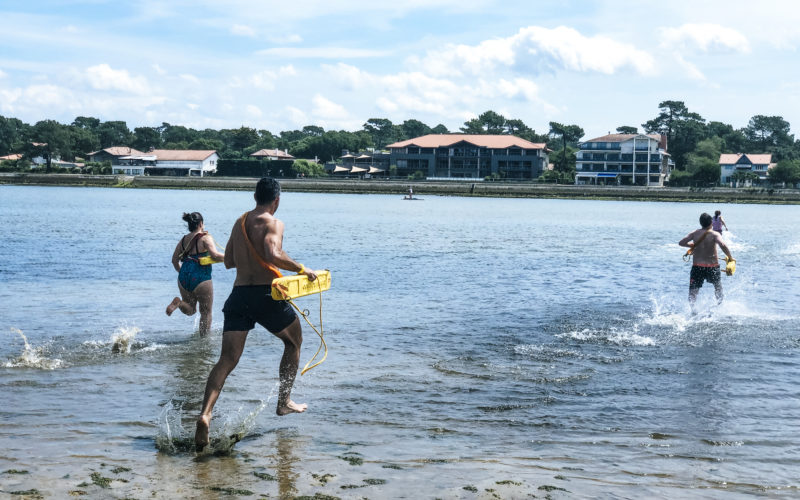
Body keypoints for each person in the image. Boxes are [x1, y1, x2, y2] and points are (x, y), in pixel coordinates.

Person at [195, 177, 318, 451]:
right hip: (266, 295)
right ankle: (284, 401)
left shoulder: (239, 223)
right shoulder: (274, 223)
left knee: (226, 360)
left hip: (239, 296)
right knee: (294, 342)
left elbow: (228, 261)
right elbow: (272, 253)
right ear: (277, 200)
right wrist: (301, 269)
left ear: (254, 196)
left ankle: (205, 414)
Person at [166, 212, 225, 335]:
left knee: (191, 309)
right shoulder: (205, 238)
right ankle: (204, 341)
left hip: (183, 276)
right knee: (206, 312)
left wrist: (182, 272)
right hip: (200, 277)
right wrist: (233, 257)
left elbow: (174, 260)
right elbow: (214, 255)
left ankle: (179, 302)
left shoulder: (183, 240)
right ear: (201, 224)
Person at [679, 212, 734, 312]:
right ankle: (720, 307)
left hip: (697, 266)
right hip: (712, 266)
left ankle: (693, 310)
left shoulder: (694, 233)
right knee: (718, 287)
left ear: (701, 223)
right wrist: (730, 257)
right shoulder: (714, 234)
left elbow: (681, 242)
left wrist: (692, 245)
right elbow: (723, 245)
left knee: (693, 291)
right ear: (711, 222)